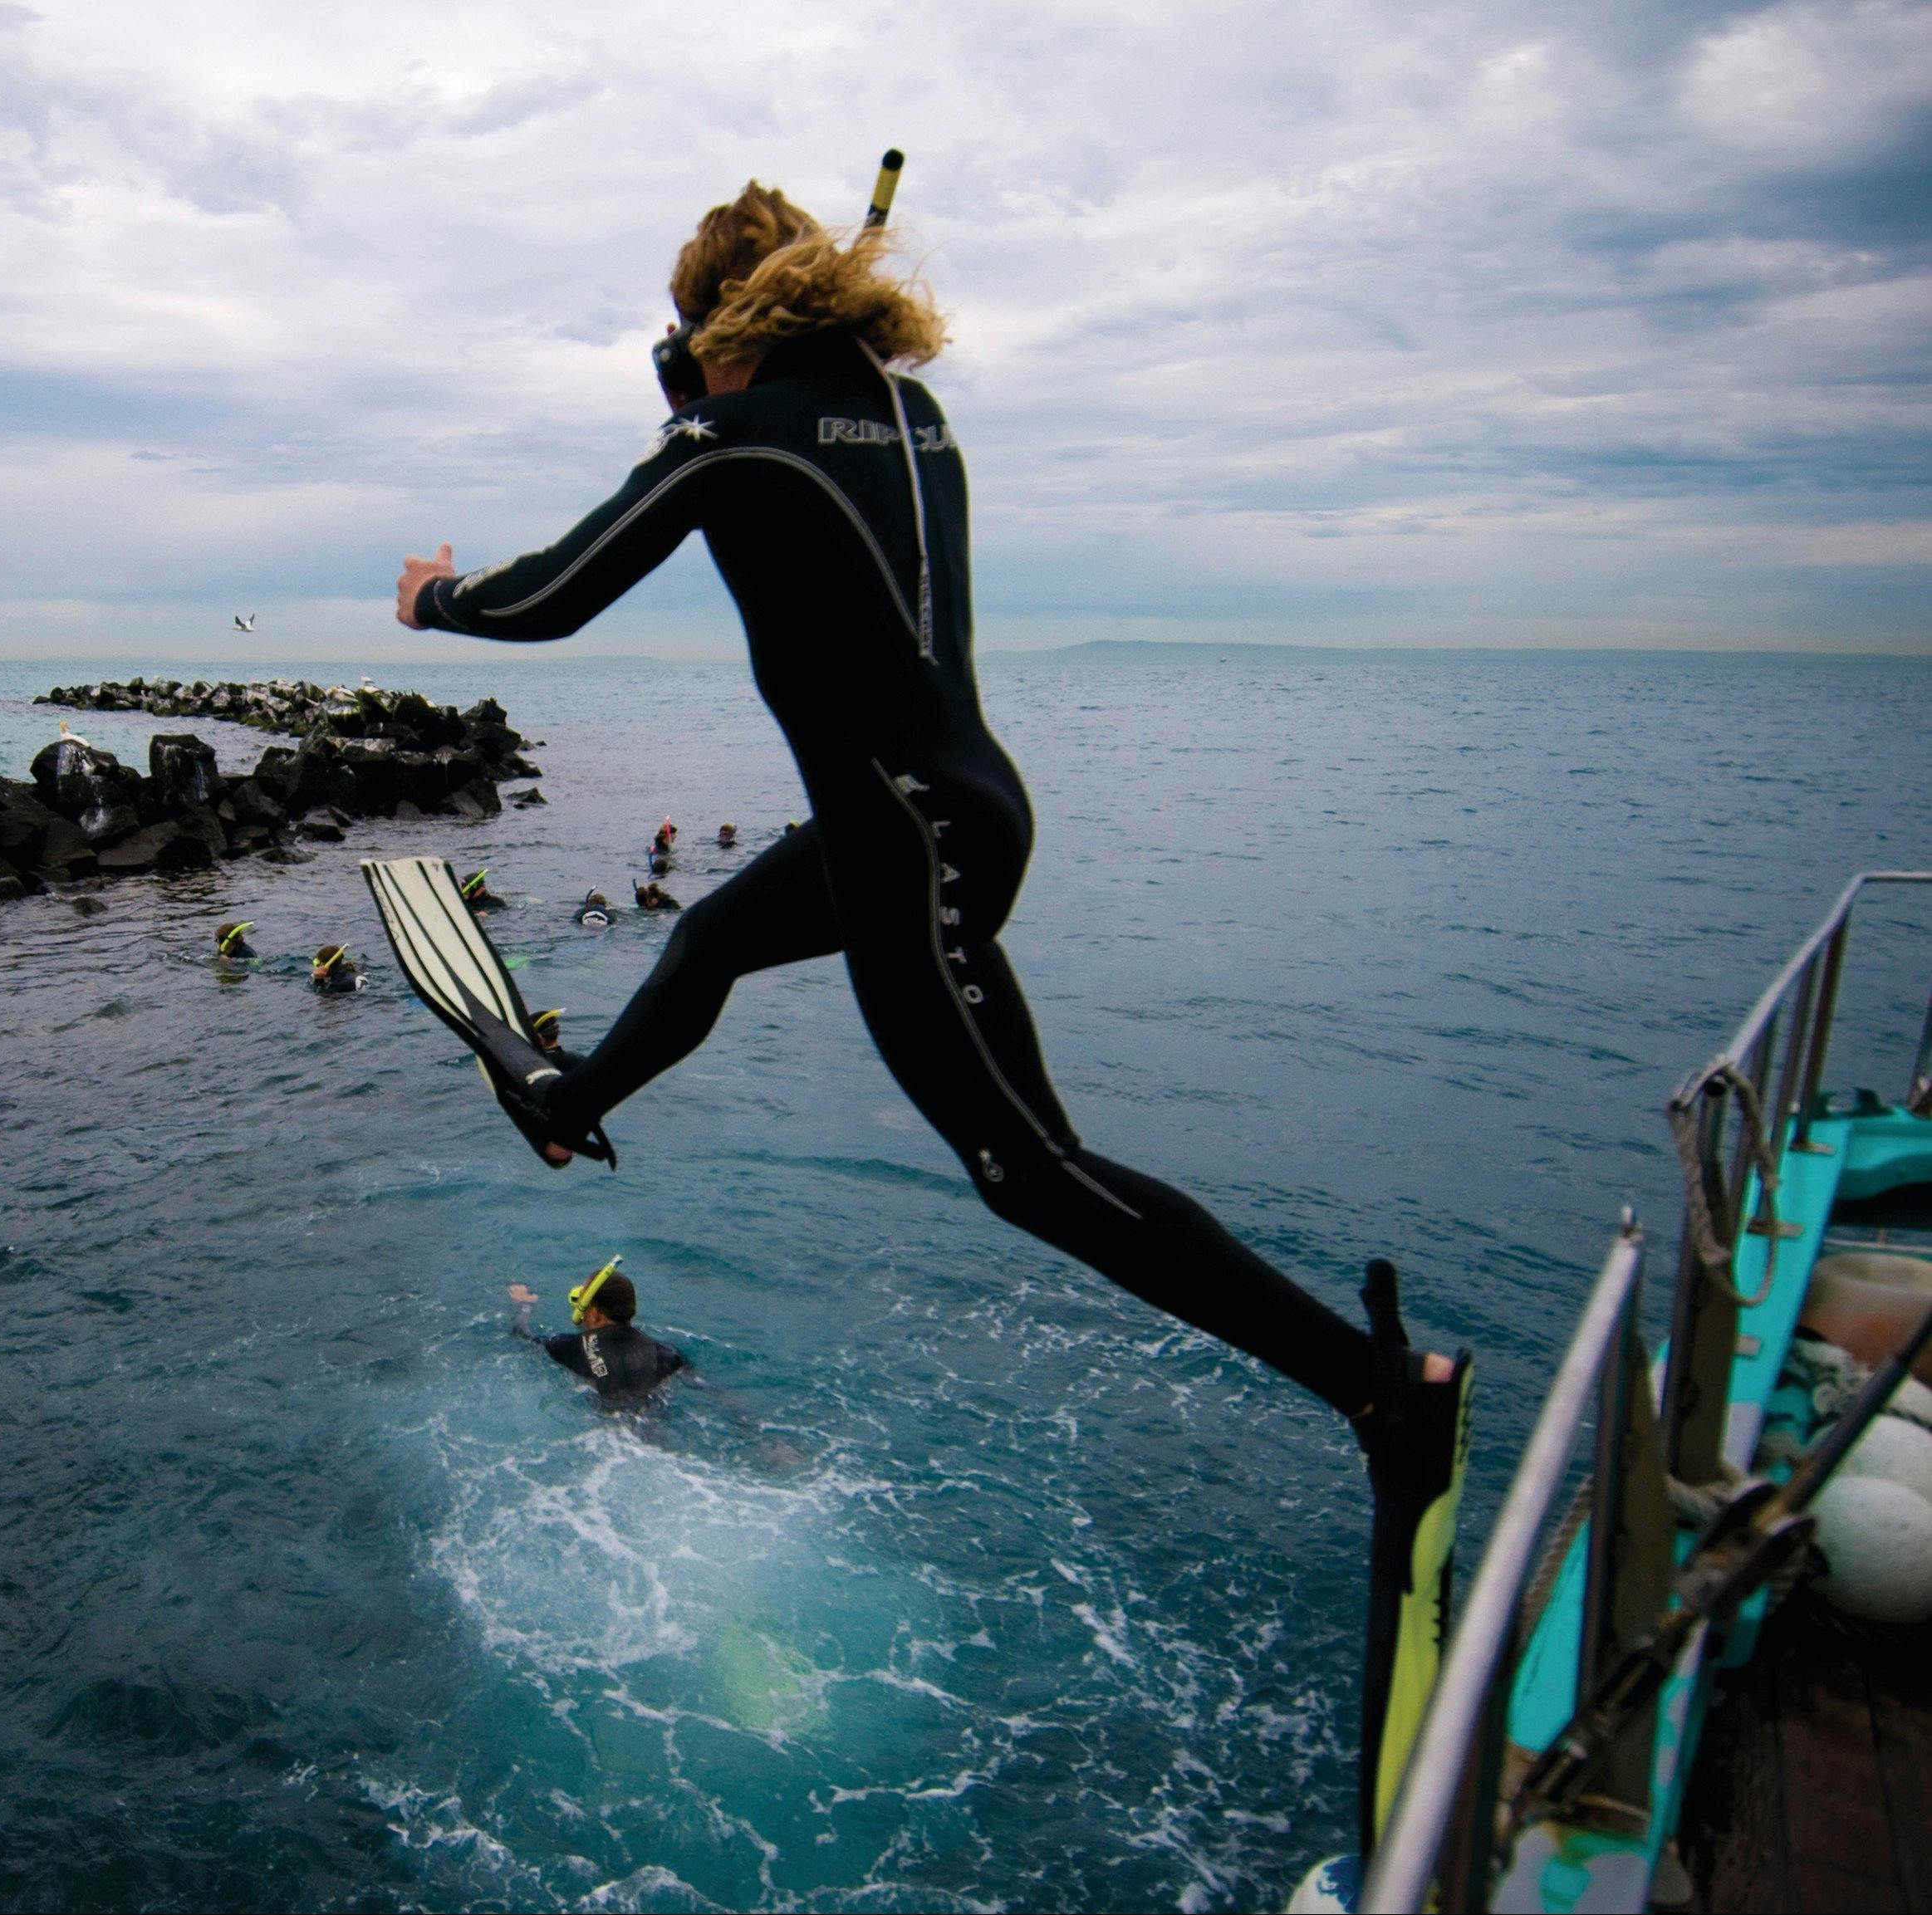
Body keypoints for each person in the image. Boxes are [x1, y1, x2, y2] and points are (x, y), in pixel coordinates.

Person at [390, 178, 1464, 1852]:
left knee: (1031, 1173)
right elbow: (811, 474)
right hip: (940, 804)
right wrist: (706, 393)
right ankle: (568, 1100)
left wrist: (434, 599)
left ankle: (1369, 1389)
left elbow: (553, 593)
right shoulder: (912, 413)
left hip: (902, 833)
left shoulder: (726, 444)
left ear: (709, 322)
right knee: (707, 949)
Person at [508, 1258, 687, 1404]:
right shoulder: (667, 1354)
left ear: (593, 1314)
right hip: (651, 1421)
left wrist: (524, 1305)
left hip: (611, 1431)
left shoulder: (569, 1347)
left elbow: (522, 1333)